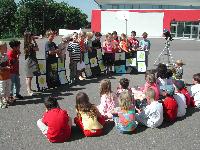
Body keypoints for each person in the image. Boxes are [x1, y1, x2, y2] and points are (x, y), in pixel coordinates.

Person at [24, 32, 39, 96]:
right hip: (30, 62)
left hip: (31, 61)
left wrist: (34, 41)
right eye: (31, 36)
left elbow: (37, 48)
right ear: (28, 37)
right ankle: (29, 90)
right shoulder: (29, 45)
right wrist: (34, 41)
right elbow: (37, 49)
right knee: (29, 77)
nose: (32, 37)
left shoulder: (28, 44)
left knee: (29, 77)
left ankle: (29, 89)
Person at [0, 41, 11, 108]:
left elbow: (8, 64)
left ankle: (5, 100)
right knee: (1, 90)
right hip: (1, 77)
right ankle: (0, 102)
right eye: (5, 47)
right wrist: (5, 67)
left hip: (7, 76)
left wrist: (9, 65)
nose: (6, 48)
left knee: (7, 89)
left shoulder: (6, 55)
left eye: (6, 47)